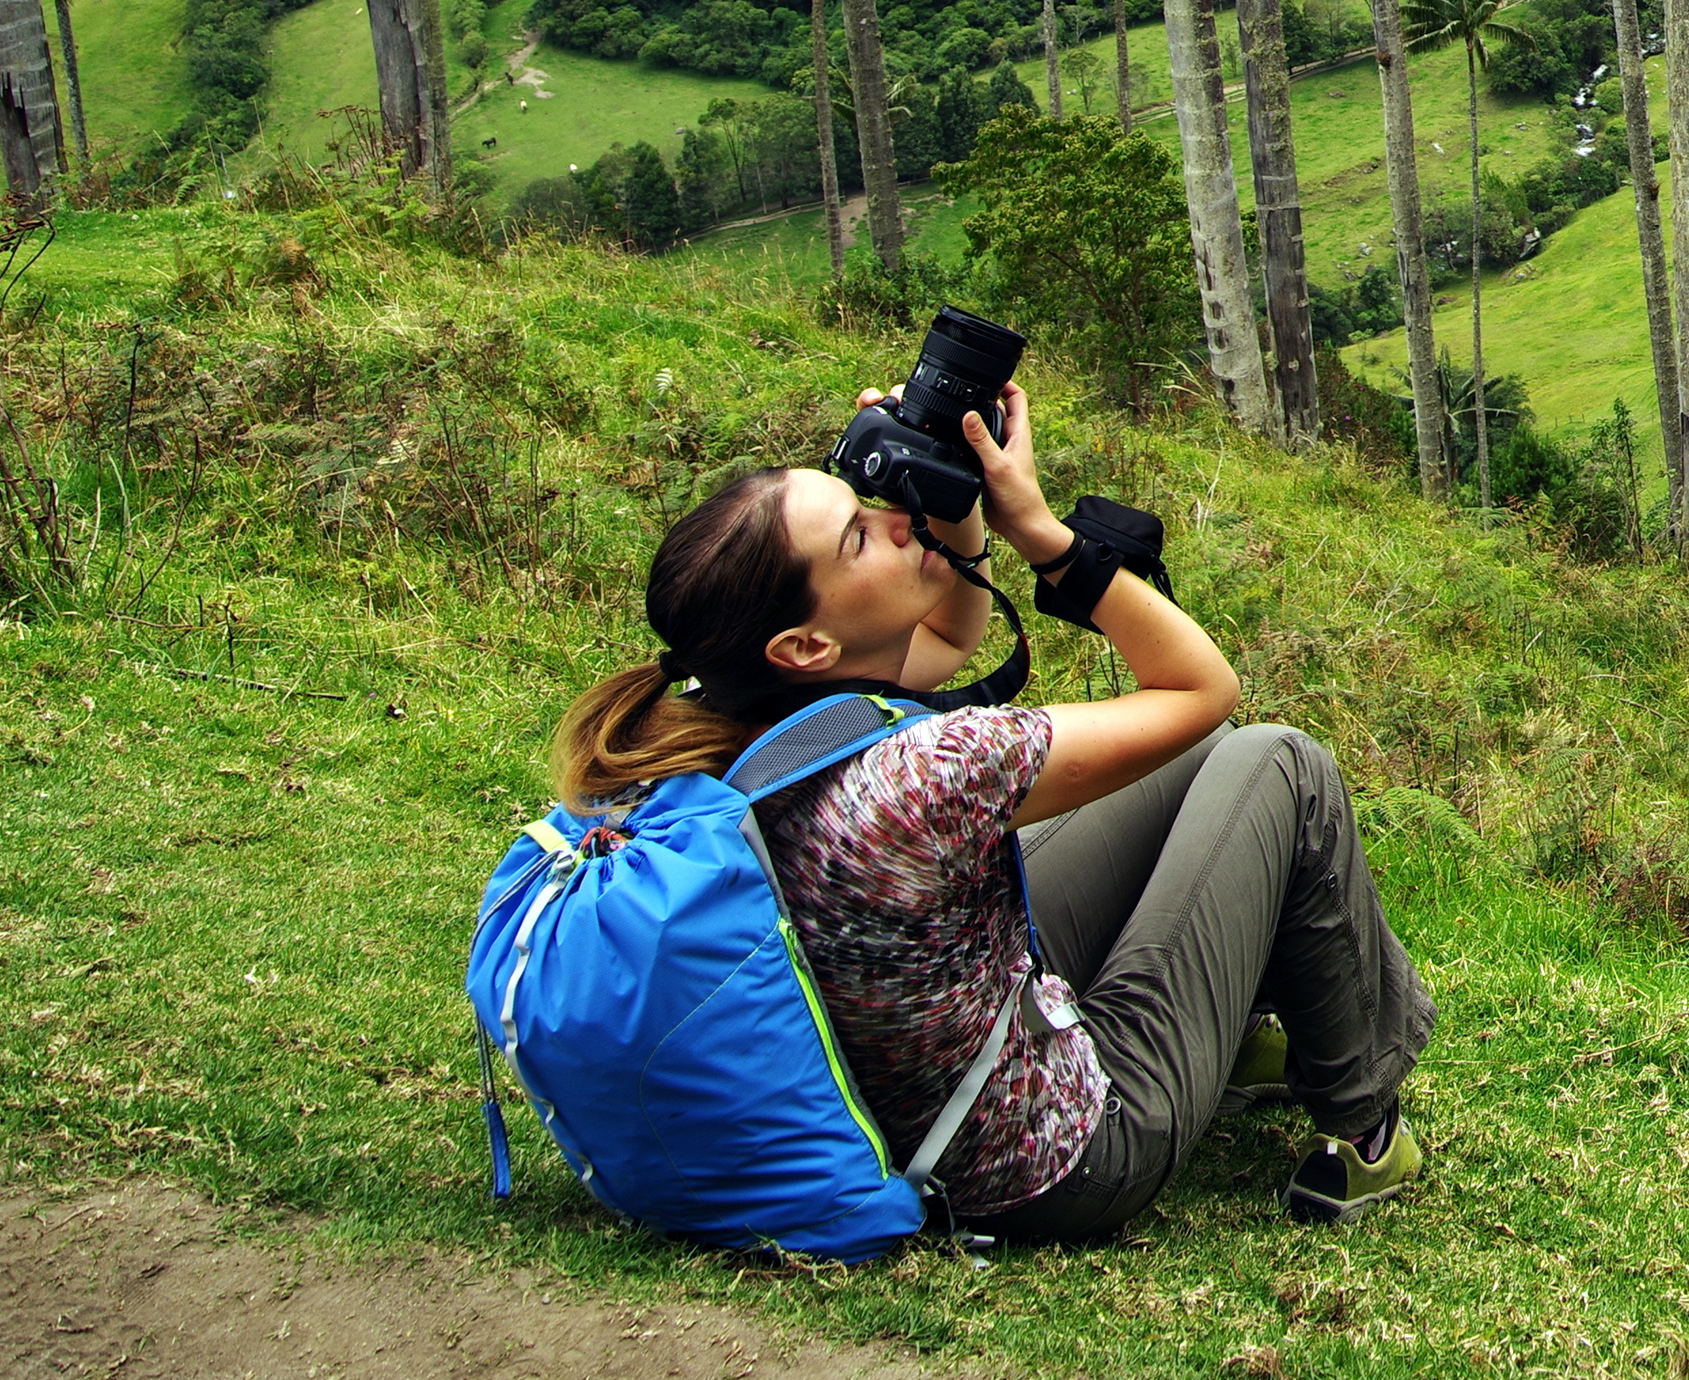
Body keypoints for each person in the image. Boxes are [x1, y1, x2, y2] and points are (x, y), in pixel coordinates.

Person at [551, 380, 1436, 1235]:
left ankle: (1234, 1021)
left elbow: (947, 637)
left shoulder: (705, 730)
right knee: (1278, 761)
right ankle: (1363, 1128)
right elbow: (1202, 687)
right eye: (860, 536)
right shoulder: (931, 772)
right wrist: (1042, 535)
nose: (893, 521)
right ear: (808, 643)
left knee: (1208, 760)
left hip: (914, 1089)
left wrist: (948, 505)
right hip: (1057, 1161)